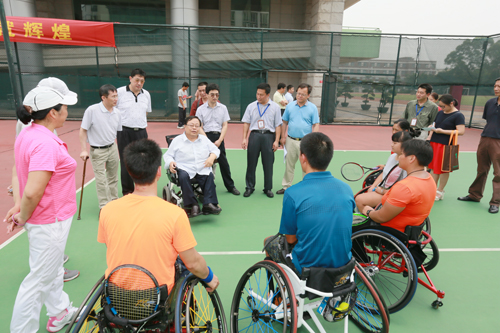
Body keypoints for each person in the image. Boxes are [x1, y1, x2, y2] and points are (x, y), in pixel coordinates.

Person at [99, 138, 219, 296]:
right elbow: (193, 263)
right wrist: (209, 277)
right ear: (159, 171)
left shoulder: (108, 210)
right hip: (157, 296)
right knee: (183, 262)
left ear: (129, 171)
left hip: (117, 295)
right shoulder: (175, 214)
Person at [4, 86, 81, 332]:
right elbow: (33, 190)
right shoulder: (45, 143)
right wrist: (21, 214)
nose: (67, 111)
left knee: (52, 269)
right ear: (52, 113)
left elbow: (19, 171)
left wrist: (18, 206)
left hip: (48, 217)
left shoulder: (28, 133)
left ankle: (59, 312)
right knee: (38, 280)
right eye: (64, 107)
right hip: (50, 219)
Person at [264, 132, 353, 273]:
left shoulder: (293, 193)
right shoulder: (346, 189)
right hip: (344, 263)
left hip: (307, 266)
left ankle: (279, 294)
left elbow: (291, 239)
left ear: (303, 157)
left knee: (268, 242)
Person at [358, 140, 436, 233]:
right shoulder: (429, 179)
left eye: (401, 154)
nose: (398, 158)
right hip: (412, 230)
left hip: (391, 230)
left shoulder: (405, 187)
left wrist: (368, 211)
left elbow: (380, 217)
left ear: (411, 158)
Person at [164, 116, 222, 217]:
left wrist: (212, 157)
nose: (194, 128)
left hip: (201, 167)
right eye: (191, 125)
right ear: (185, 126)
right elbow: (168, 155)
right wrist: (170, 162)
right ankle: (192, 205)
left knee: (209, 174)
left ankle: (208, 204)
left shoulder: (204, 140)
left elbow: (216, 150)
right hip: (183, 168)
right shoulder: (177, 140)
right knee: (183, 176)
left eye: (197, 126)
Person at [458, 78, 500, 214]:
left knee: (498, 173)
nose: (496, 88)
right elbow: (489, 120)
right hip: (485, 139)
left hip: (498, 142)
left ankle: (495, 202)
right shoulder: (490, 103)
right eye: (495, 86)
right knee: (481, 169)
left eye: (499, 86)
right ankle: (474, 195)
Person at [79, 84, 122, 209]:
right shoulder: (92, 110)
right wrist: (83, 150)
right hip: (97, 151)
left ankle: (114, 201)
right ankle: (104, 205)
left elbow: (117, 133)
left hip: (112, 148)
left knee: (113, 178)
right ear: (103, 97)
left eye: (116, 96)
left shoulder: (117, 113)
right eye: (113, 96)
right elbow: (83, 130)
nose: (116, 99)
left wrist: (117, 149)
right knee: (101, 180)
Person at [196, 83, 240, 195]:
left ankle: (230, 187)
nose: (215, 97)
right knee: (205, 163)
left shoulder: (223, 108)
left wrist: (220, 140)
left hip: (218, 138)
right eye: (212, 94)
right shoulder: (200, 109)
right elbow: (199, 127)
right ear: (207, 94)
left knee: (224, 163)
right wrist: (206, 140)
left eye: (217, 95)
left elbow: (225, 125)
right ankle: (204, 186)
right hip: (205, 138)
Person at [276, 83, 319, 195]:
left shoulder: (312, 108)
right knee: (289, 164)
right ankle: (286, 187)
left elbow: (315, 124)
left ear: (308, 95)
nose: (299, 96)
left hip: (306, 142)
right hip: (290, 140)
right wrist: (283, 137)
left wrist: (313, 140)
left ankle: (306, 187)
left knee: (307, 166)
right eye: (298, 93)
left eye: (303, 94)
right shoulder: (290, 106)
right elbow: (284, 122)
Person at [241, 83, 283, 198]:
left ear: (268, 94)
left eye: (261, 95)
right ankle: (249, 187)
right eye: (257, 94)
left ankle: (268, 188)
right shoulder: (251, 106)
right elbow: (246, 123)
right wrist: (244, 138)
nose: (258, 97)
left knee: (268, 164)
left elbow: (278, 125)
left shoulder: (275, 107)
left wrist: (276, 141)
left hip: (269, 137)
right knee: (251, 163)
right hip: (254, 135)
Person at [355, 131, 413, 212]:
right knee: (356, 199)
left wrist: (382, 191)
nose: (391, 145)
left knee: (359, 199)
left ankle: (373, 218)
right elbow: (384, 174)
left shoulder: (406, 163)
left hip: (391, 195)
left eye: (395, 143)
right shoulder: (392, 157)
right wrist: (373, 187)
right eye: (392, 142)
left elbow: (402, 189)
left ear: (405, 145)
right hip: (381, 190)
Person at [116, 68, 152, 196]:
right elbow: (113, 112)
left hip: (141, 132)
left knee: (142, 161)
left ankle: (141, 189)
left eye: (142, 81)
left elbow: (146, 112)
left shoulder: (146, 94)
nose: (139, 83)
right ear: (130, 79)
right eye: (137, 80)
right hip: (124, 132)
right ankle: (127, 192)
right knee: (126, 161)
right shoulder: (119, 92)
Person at [428, 94, 465, 201]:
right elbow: (435, 124)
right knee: (434, 168)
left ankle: (440, 190)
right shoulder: (440, 113)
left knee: (443, 169)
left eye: (444, 106)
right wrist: (431, 128)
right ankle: (433, 189)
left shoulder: (458, 115)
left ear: (451, 104)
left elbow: (461, 131)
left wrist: (442, 131)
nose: (442, 108)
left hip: (446, 145)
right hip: (434, 143)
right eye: (441, 106)